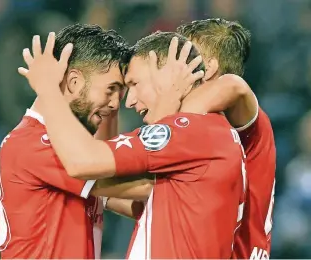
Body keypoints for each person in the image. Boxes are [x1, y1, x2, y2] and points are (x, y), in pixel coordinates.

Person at [18, 31, 246, 259]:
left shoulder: (188, 130)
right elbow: (147, 203)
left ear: (166, 75)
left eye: (135, 84)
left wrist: (47, 88)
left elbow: (81, 162)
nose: (129, 101)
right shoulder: (212, 132)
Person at [0, 24, 153, 259]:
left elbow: (134, 204)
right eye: (111, 89)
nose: (115, 104)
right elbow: (141, 187)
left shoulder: (61, 144)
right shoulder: (36, 143)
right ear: (74, 82)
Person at [175, 18, 276, 259]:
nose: (173, 67)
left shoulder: (251, 123)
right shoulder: (200, 127)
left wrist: (172, 118)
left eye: (182, 57)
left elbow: (234, 86)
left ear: (208, 68)